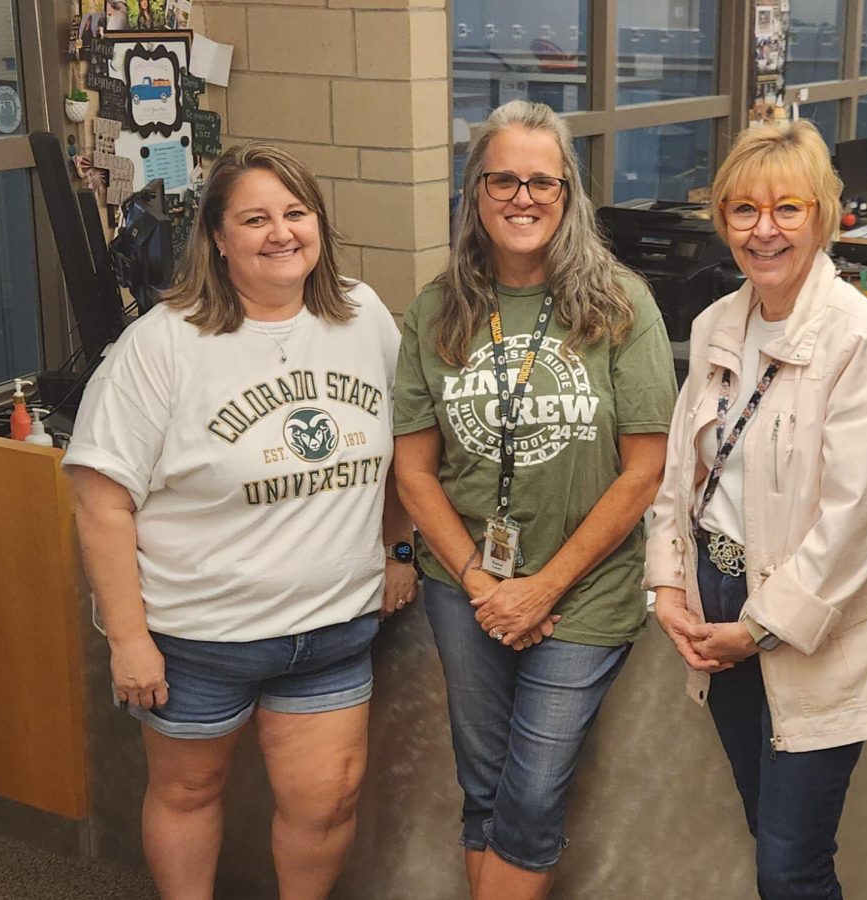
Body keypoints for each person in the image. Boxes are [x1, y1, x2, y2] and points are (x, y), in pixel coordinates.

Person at [64, 142, 417, 900]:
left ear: (319, 223)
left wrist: (398, 549)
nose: (280, 232)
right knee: (188, 794)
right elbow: (100, 496)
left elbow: (404, 450)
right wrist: (128, 639)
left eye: (296, 213)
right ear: (218, 239)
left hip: (329, 630)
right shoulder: (162, 343)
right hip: (198, 639)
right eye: (254, 218)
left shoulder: (362, 317)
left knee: (326, 804)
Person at [645, 119, 867, 900]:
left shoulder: (860, 338)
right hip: (721, 604)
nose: (763, 230)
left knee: (789, 862)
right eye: (743, 210)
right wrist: (670, 585)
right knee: (765, 825)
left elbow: (856, 520)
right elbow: (682, 475)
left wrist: (759, 627)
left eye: (787, 209)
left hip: (809, 622)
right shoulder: (715, 324)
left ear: (825, 216)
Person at [393, 100, 677, 900]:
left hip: (584, 593)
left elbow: (644, 470)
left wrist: (542, 587)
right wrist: (485, 586)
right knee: (482, 785)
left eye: (542, 182)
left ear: (569, 195)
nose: (524, 198)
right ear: (475, 193)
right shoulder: (435, 309)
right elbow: (414, 471)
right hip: (466, 588)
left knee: (531, 791)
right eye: (504, 180)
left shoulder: (620, 304)